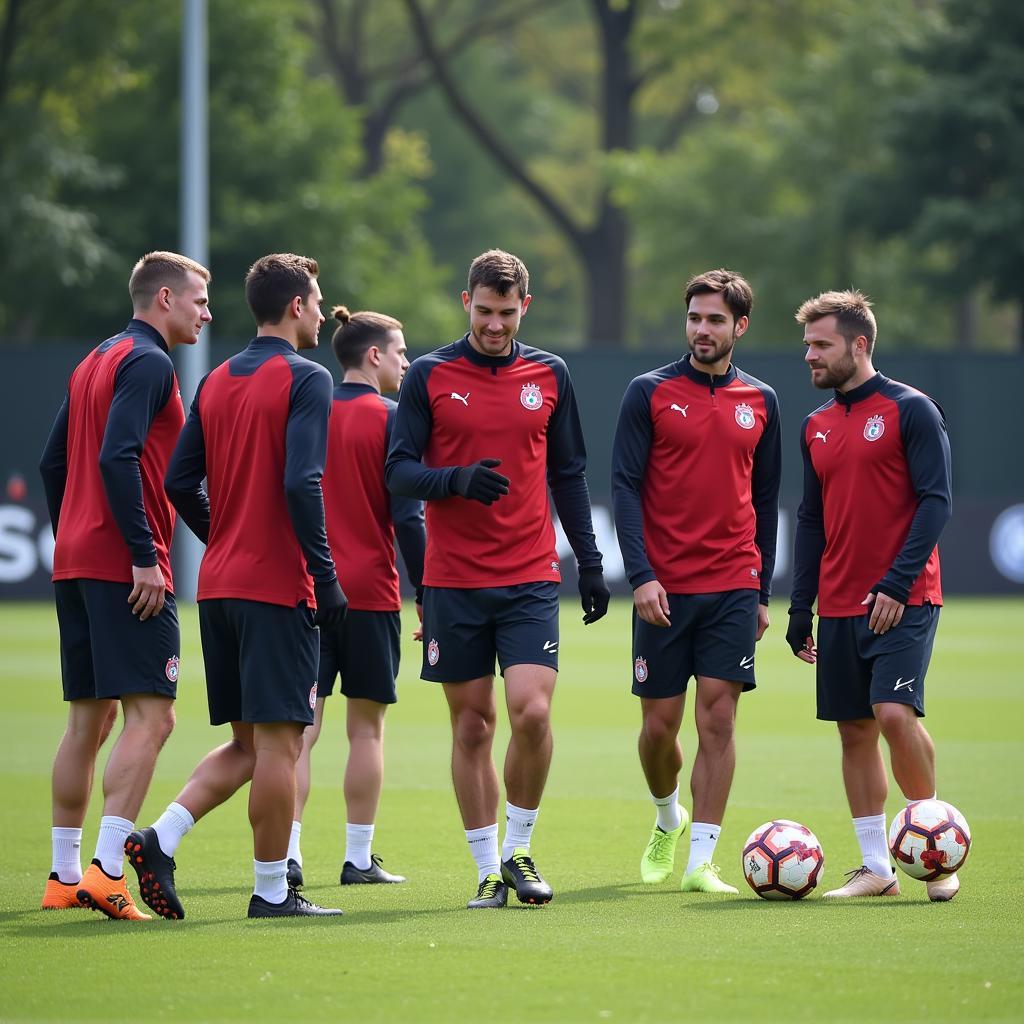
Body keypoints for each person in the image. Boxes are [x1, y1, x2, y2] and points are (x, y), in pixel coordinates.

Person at [385, 249, 609, 909]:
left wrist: (590, 562)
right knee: (475, 726)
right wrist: (454, 480)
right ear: (466, 303)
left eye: (506, 313)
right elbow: (398, 472)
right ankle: (487, 868)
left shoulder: (550, 373)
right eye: (484, 311)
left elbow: (568, 471)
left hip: (530, 575)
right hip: (452, 579)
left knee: (532, 713)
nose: (494, 324)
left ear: (524, 309)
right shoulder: (428, 375)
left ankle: (519, 850)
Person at [126, 253, 348, 920]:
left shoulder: (217, 379)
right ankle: (273, 891)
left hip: (218, 585)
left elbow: (175, 482)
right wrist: (327, 577)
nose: (318, 310)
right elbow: (300, 482)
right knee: (282, 743)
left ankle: (158, 838)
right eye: (315, 300)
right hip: (277, 587)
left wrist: (223, 534)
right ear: (297, 307)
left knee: (251, 745)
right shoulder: (308, 379)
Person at [38, 251, 212, 919]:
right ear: (163, 297)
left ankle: (61, 875)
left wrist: (75, 529)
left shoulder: (95, 360)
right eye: (198, 299)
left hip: (79, 558)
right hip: (125, 565)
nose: (206, 311)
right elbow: (118, 453)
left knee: (90, 718)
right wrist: (142, 552)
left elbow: (56, 459)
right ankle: (108, 871)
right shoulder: (149, 362)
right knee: (154, 716)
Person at [612, 268, 780, 894]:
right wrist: (642, 576)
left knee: (719, 720)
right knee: (659, 728)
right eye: (694, 319)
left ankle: (701, 861)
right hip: (664, 587)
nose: (702, 330)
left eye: (715, 320)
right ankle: (667, 816)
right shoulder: (648, 391)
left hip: (733, 582)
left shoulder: (761, 400)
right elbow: (624, 487)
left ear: (740, 326)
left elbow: (765, 498)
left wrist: (761, 592)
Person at [787, 289, 956, 901]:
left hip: (905, 597)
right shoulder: (815, 426)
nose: (810, 355)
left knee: (892, 714)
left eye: (821, 344)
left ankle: (935, 847)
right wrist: (799, 605)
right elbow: (811, 520)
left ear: (859, 345)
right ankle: (877, 868)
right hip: (835, 603)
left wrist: (896, 582)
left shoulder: (912, 409)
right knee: (854, 730)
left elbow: (936, 502)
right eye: (808, 344)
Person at [286, 306, 424, 889]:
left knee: (299, 731)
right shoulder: (393, 421)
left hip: (306, 592)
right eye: (399, 351)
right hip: (370, 593)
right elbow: (409, 517)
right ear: (373, 356)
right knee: (365, 730)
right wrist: (429, 596)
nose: (406, 362)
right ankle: (358, 858)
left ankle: (286, 855)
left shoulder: (304, 411)